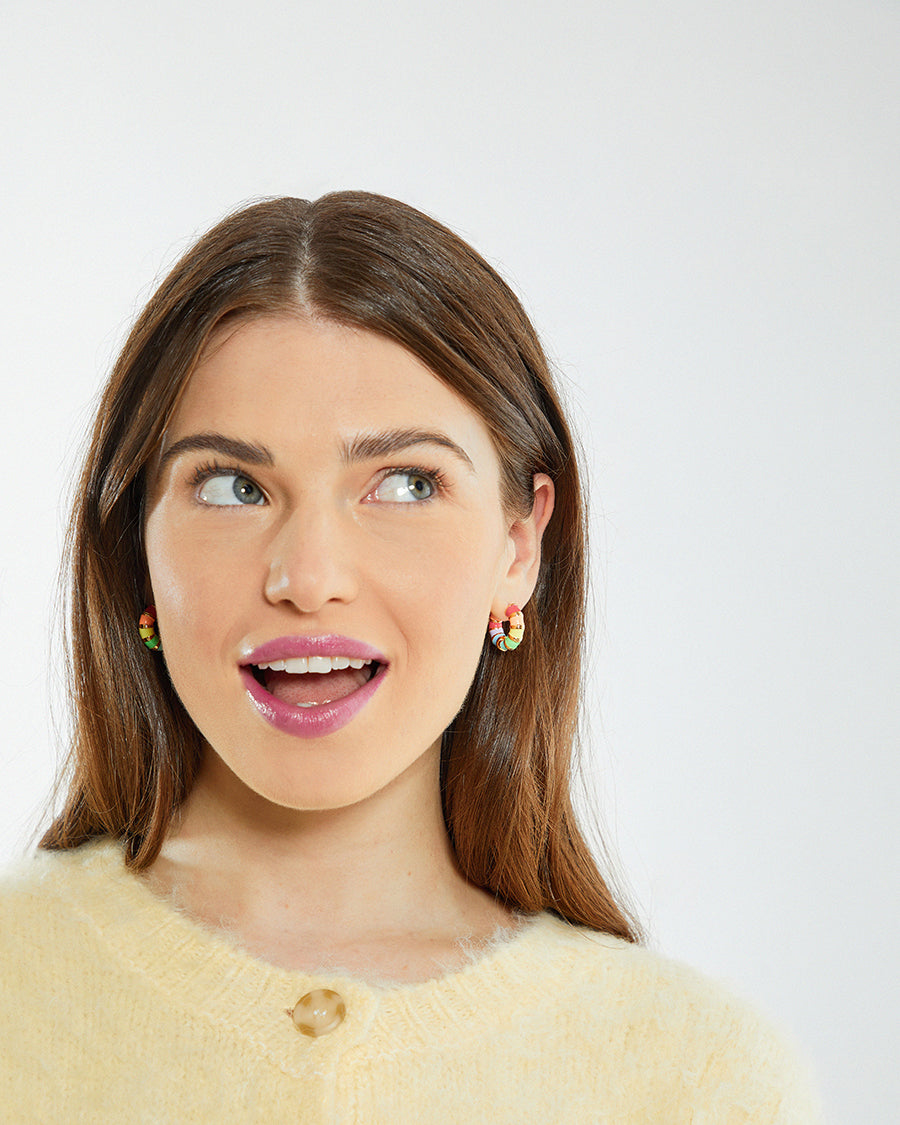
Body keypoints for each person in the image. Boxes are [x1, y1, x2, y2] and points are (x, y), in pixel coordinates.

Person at [0, 193, 821, 1121]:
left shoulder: (701, 1080)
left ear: (519, 547)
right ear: (135, 550)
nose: (308, 578)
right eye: (233, 486)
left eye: (404, 483)